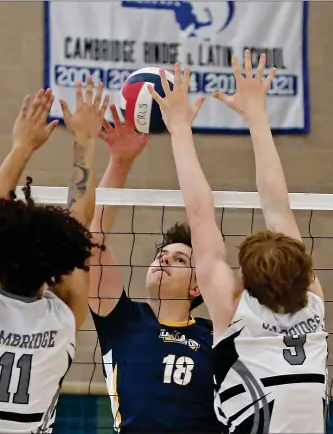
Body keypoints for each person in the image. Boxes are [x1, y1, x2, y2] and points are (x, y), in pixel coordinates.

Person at [149, 52, 328, 433]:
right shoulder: (313, 305)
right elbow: (278, 207)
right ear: (303, 271)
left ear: (243, 281)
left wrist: (179, 129)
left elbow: (200, 212)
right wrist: (258, 117)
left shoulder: (236, 315)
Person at [0, 79, 109, 434]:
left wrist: (22, 147)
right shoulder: (63, 318)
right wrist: (86, 142)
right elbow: (80, 223)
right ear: (54, 267)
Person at [88, 105, 223, 433]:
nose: (164, 260)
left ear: (197, 287)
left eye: (179, 260)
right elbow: (92, 245)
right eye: (162, 255)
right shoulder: (123, 321)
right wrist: (120, 164)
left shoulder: (216, 334)